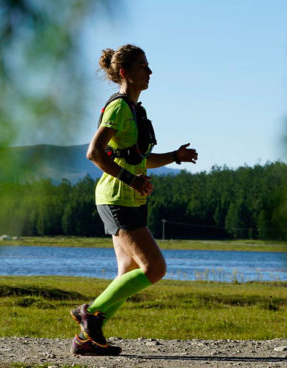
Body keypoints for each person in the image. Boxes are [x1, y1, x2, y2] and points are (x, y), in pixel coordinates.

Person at [70, 44, 198, 356]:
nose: (150, 72)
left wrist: (175, 157)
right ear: (125, 73)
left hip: (128, 200)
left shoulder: (135, 111)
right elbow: (94, 152)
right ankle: (90, 313)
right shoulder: (117, 108)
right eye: (143, 67)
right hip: (117, 199)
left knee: (127, 273)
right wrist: (131, 180)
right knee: (154, 268)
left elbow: (140, 158)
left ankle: (86, 342)